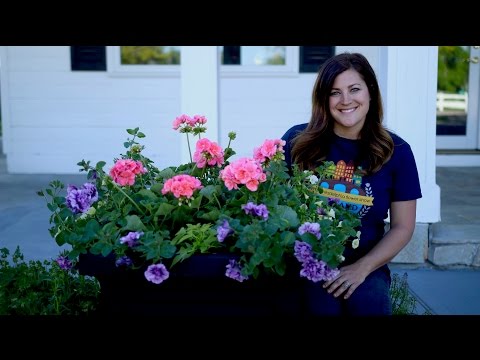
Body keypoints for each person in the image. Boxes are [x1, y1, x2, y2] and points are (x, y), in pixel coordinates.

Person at [281, 52, 422, 316]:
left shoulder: (397, 151)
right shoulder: (296, 142)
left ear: (370, 91)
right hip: (306, 260)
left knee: (368, 305)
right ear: (324, 98)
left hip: (365, 261)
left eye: (354, 89)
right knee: (319, 307)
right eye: (335, 92)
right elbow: (273, 203)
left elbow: (403, 227)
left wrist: (364, 267)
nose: (346, 100)